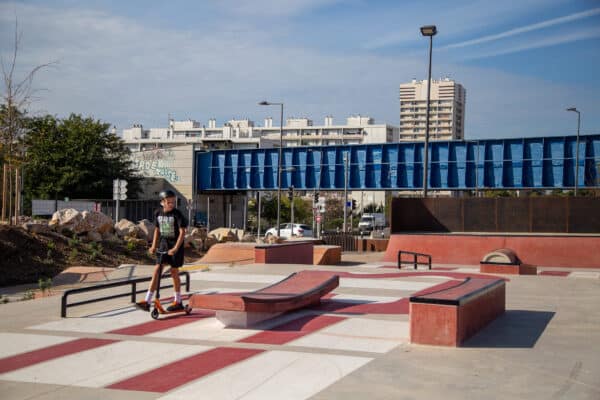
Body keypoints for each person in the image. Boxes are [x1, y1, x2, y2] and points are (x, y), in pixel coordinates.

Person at [136, 190, 188, 312]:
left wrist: (175, 248)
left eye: (173, 202)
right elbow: (157, 230)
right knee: (157, 270)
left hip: (176, 246)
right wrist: (153, 245)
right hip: (163, 245)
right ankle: (147, 301)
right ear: (162, 202)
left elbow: (182, 232)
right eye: (169, 202)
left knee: (174, 272)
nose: (171, 204)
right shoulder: (158, 213)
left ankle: (178, 301)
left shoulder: (177, 214)